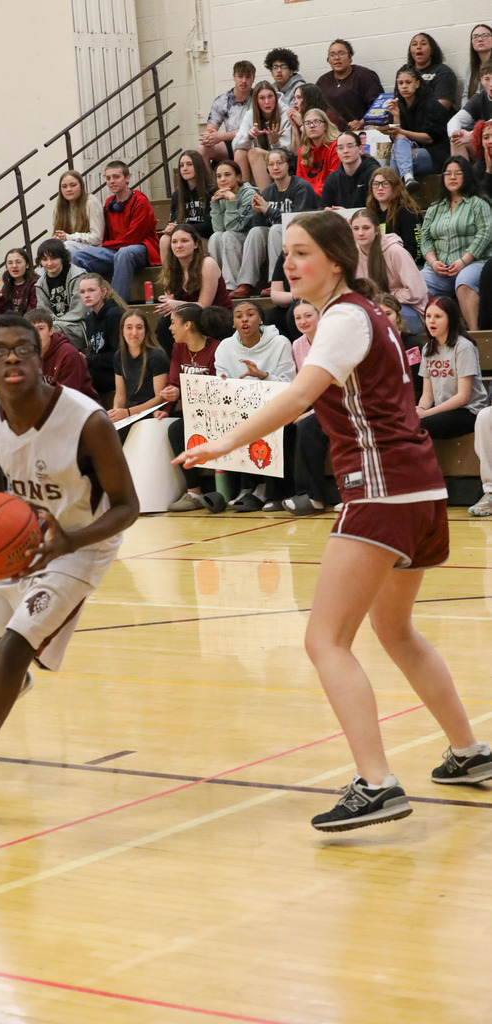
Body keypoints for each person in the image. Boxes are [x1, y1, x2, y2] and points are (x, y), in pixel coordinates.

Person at [176, 209, 492, 831]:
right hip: (415, 487)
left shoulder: (345, 317)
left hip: (379, 488)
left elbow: (297, 396)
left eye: (301, 254)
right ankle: (470, 751)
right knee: (395, 631)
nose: (289, 264)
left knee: (325, 640)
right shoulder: (361, 315)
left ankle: (377, 783)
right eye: (286, 254)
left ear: (337, 261)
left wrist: (222, 442)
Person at [0, 313, 139, 838]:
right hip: (18, 537)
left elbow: (128, 506)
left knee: (12, 649)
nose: (12, 357)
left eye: (22, 348)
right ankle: (4, 685)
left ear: (41, 357)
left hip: (79, 544)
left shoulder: (87, 421)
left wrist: (69, 541)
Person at [214, 299, 296, 512]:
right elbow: (221, 383)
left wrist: (263, 376)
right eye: (239, 315)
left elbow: (290, 384)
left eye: (250, 314)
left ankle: (271, 490)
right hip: (240, 407)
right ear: (233, 323)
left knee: (268, 425)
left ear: (260, 319)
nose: (244, 319)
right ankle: (245, 488)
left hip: (277, 406)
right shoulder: (225, 347)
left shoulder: (280, 343)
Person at [230, 147, 318, 298]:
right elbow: (260, 225)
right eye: (271, 164)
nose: (275, 167)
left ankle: (276, 282)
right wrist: (257, 212)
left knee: (276, 229)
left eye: (279, 163)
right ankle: (246, 283)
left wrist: (267, 210)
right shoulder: (267, 191)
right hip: (276, 235)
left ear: (288, 165)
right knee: (256, 232)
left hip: (303, 234)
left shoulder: (301, 187)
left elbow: (295, 222)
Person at [161, 303, 224, 511]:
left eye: (173, 323)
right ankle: (193, 492)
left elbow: (219, 389)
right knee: (175, 429)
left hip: (216, 414)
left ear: (187, 325)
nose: (170, 328)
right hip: (191, 413)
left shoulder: (216, 349)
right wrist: (167, 402)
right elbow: (174, 382)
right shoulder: (179, 347)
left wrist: (181, 393)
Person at [69, 160, 160, 301]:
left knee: (124, 253)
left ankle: (117, 305)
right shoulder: (109, 202)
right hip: (115, 251)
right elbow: (106, 236)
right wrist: (103, 247)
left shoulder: (140, 201)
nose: (112, 181)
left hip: (141, 249)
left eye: (116, 177)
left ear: (127, 178)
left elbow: (131, 239)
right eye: (108, 178)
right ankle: (83, 305)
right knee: (77, 256)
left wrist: (104, 246)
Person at [420, 156, 492, 330]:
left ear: (466, 176)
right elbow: (425, 238)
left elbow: (485, 234)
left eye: (457, 173)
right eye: (448, 173)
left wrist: (463, 261)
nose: (452, 177)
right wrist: (433, 262)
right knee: (419, 282)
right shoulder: (435, 207)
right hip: (441, 269)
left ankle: (476, 336)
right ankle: (431, 338)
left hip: (475, 262)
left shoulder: (478, 203)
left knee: (464, 281)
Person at [281, 300, 334, 515]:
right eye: (298, 317)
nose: (302, 321)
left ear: (320, 316)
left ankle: (312, 497)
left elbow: (334, 386)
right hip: (316, 402)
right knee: (283, 425)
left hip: (340, 403)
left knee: (309, 425)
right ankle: (276, 492)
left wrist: (312, 412)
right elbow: (302, 385)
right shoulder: (297, 345)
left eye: (308, 316)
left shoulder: (332, 342)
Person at [417, 297, 487, 439]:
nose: (431, 321)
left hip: (469, 411)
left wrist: (427, 414)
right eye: (428, 316)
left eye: (438, 316)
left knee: (420, 426)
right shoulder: (427, 349)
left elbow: (463, 397)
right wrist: (420, 409)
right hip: (442, 410)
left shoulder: (463, 347)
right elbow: (427, 395)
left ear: (451, 319)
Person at [157, 222, 232, 352]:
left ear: (196, 244)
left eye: (184, 241)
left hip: (216, 316)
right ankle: (172, 365)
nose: (179, 245)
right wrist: (171, 305)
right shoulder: (171, 268)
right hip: (190, 315)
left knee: (205, 318)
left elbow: (204, 305)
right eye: (174, 242)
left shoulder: (207, 263)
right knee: (164, 323)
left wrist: (176, 304)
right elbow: (170, 303)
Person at [351, 208, 427, 333]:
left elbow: (417, 291)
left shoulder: (395, 251)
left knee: (375, 317)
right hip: (374, 308)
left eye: (366, 228)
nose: (360, 233)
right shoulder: (354, 256)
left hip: (409, 312)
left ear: (376, 230)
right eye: (356, 229)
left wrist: (387, 296)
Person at [110, 310, 169, 429]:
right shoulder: (119, 356)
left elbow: (160, 398)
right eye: (129, 327)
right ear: (122, 331)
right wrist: (116, 413)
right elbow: (120, 394)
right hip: (131, 413)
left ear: (146, 331)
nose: (134, 332)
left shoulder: (157, 356)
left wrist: (128, 412)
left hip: (152, 413)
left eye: (139, 327)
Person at [24, 308, 99, 400]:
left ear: (51, 331)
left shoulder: (68, 354)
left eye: (40, 328)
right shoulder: (25, 355)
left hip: (79, 409)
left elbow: (67, 398)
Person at [207, 160, 258, 291]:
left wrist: (231, 201)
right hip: (232, 237)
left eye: (227, 175)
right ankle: (217, 283)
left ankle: (230, 286)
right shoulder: (221, 195)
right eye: (219, 176)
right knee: (216, 237)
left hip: (250, 238)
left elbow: (235, 227)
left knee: (228, 236)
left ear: (239, 177)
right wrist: (215, 204)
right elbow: (218, 229)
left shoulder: (249, 194)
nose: (222, 179)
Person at [197, 61, 256, 169]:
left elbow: (252, 130)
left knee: (241, 150)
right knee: (201, 148)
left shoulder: (258, 98)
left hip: (253, 141)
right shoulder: (222, 100)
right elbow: (210, 129)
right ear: (234, 77)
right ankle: (210, 185)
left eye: (248, 77)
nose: (243, 81)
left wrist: (222, 136)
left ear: (253, 78)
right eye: (240, 76)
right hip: (231, 143)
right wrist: (208, 137)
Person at [232, 80, 291, 190]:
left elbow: (289, 150)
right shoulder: (250, 115)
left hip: (282, 161)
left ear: (276, 98)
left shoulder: (285, 114)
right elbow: (235, 144)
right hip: (259, 163)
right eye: (262, 98)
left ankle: (266, 199)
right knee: (240, 152)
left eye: (270, 97)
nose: (267, 102)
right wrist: (248, 137)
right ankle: (245, 197)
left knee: (254, 152)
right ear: (256, 101)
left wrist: (275, 142)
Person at [316, 39, 384, 131]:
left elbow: (378, 106)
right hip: (333, 134)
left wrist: (362, 122)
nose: (337, 58)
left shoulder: (365, 75)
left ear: (350, 56)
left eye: (341, 53)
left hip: (362, 131)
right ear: (328, 60)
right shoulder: (322, 81)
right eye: (332, 55)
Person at [160, 150, 213, 262]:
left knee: (184, 241)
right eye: (181, 165)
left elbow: (209, 225)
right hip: (183, 237)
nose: (184, 168)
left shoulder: (211, 191)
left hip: (202, 238)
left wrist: (185, 229)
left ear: (198, 166)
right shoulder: (177, 195)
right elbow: (175, 221)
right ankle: (168, 278)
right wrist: (171, 227)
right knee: (165, 239)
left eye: (189, 164)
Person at [79, 272, 127, 394]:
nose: (86, 295)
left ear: (104, 292)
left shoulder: (114, 314)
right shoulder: (89, 319)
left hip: (120, 372)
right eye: (83, 292)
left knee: (80, 376)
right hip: (100, 369)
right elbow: (95, 352)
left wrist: (89, 360)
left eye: (91, 290)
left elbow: (119, 355)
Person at [34, 238, 87, 349]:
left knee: (48, 332)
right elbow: (44, 313)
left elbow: (79, 312)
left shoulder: (78, 276)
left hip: (79, 326)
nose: (49, 263)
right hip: (54, 325)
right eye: (44, 259)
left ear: (62, 257)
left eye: (53, 258)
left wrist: (53, 324)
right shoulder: (40, 284)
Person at [366, 166, 422, 261]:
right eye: (375, 184)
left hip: (404, 265)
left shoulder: (407, 212)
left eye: (385, 183)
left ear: (395, 187)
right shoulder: (372, 213)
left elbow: (414, 250)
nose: (380, 188)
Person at [376, 292, 423, 400]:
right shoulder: (373, 345)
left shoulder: (412, 346)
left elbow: (417, 383)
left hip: (410, 399)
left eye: (388, 314)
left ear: (398, 316)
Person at [320, 130, 379, 208]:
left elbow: (378, 207)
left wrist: (347, 213)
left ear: (360, 148)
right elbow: (323, 206)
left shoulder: (374, 173)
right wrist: (327, 211)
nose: (345, 151)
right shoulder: (332, 179)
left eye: (350, 146)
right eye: (340, 148)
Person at [52, 169, 104, 254]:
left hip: (93, 249)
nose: (68, 189)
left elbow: (97, 238)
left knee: (66, 247)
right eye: (64, 186)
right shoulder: (58, 208)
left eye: (73, 185)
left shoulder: (91, 203)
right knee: (47, 249)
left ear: (81, 186)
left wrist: (68, 237)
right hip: (70, 245)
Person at [449, 60, 492, 159]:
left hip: (487, 137)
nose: (491, 84)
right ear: (481, 81)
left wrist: (474, 134)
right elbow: (455, 120)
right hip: (486, 140)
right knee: (457, 141)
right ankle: (461, 173)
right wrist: (455, 133)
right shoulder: (479, 98)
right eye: (487, 79)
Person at [287, 83, 343, 156]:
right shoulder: (299, 117)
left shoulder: (328, 117)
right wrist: (294, 125)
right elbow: (296, 153)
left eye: (299, 97)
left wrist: (302, 124)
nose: (295, 102)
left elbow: (322, 146)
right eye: (294, 98)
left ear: (310, 99)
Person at [405, 32, 457, 110]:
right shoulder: (404, 73)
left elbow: (440, 109)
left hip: (435, 120)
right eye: (414, 44)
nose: (418, 47)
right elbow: (397, 103)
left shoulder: (444, 73)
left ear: (432, 49)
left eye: (423, 44)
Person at [295, 109, 340, 198]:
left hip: (329, 196)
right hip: (308, 198)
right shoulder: (303, 151)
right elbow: (300, 181)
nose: (312, 126)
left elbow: (334, 179)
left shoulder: (335, 147)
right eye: (307, 123)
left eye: (316, 121)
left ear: (326, 126)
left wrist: (311, 195)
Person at [0, 248, 37, 316]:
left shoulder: (35, 284)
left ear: (27, 265)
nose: (14, 266)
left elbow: (33, 312)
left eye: (18, 262)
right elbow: (1, 313)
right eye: (10, 263)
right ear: (6, 267)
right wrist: (0, 298)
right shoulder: (7, 284)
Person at [461, 25, 492, 108]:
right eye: (475, 37)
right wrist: (465, 111)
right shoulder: (471, 66)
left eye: (485, 35)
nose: (480, 39)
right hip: (474, 113)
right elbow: (466, 94)